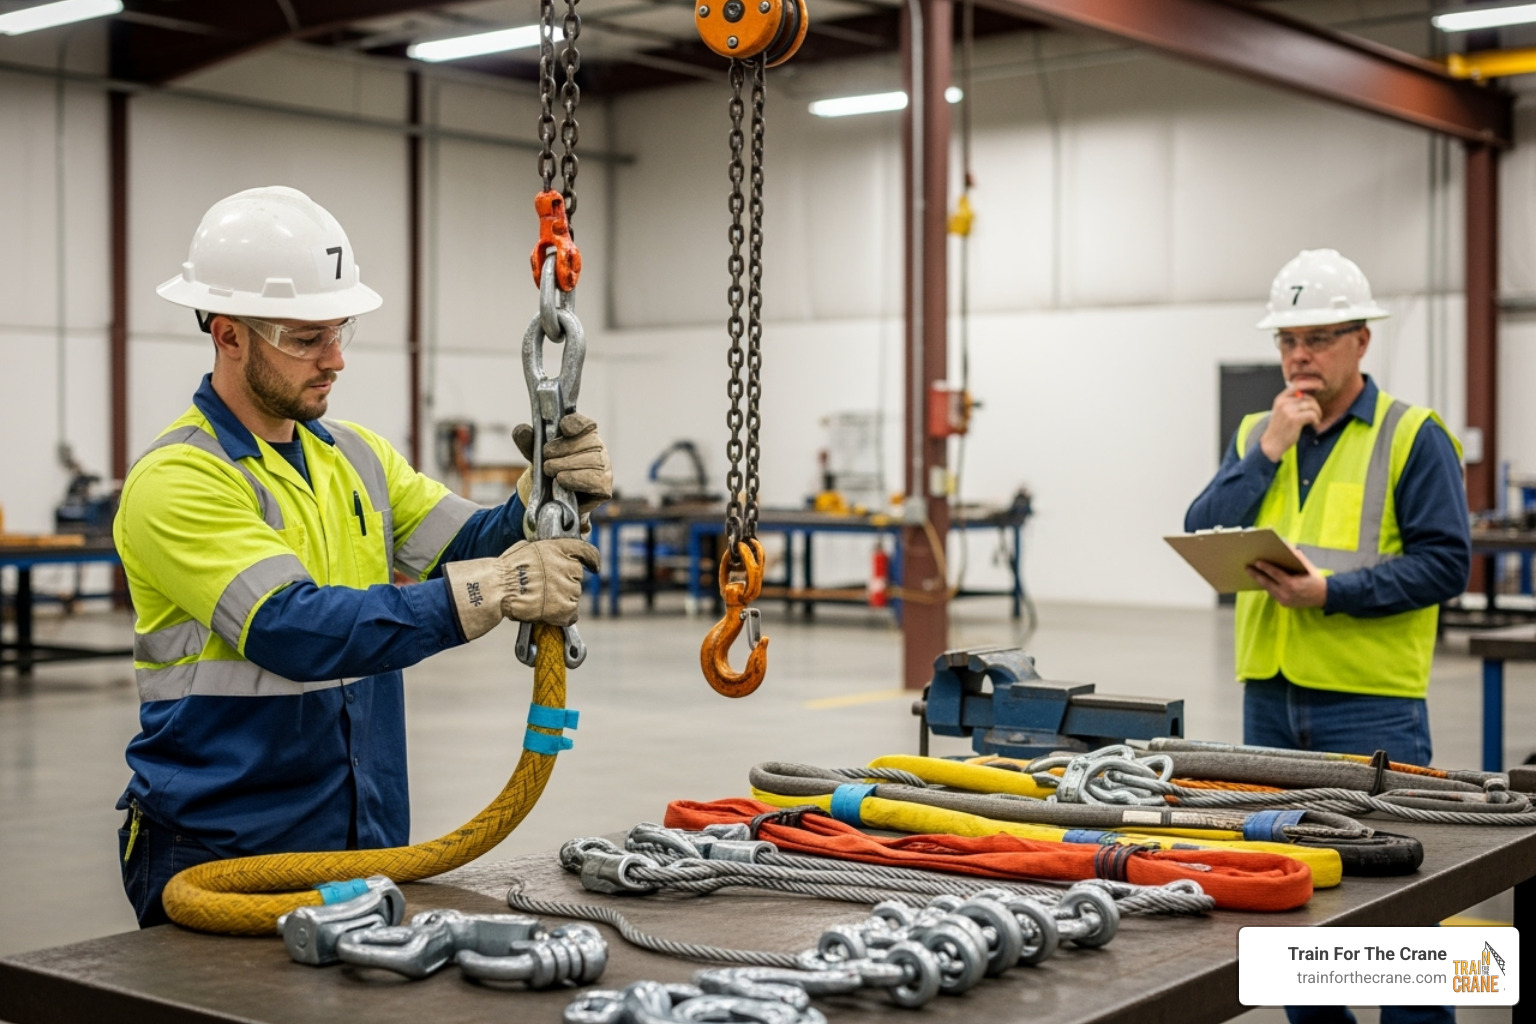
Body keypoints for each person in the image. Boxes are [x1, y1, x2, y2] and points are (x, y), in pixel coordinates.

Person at [113, 186, 610, 928]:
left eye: (339, 330)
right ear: (228, 335)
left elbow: (471, 547)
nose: (335, 359)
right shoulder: (179, 479)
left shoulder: (357, 456)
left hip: (361, 833)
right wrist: (493, 590)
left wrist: (544, 494)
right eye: (306, 338)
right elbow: (293, 629)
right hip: (225, 848)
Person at [1186, 249, 1470, 1024]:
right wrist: (1266, 450)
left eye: (1316, 339)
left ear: (1361, 343)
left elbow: (1447, 565)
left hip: (1370, 707)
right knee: (1293, 899)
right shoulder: (1259, 431)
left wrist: (1331, 592)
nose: (1298, 357)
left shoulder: (1414, 436)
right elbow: (1201, 525)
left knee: (1398, 913)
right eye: (1287, 342)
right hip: (1270, 705)